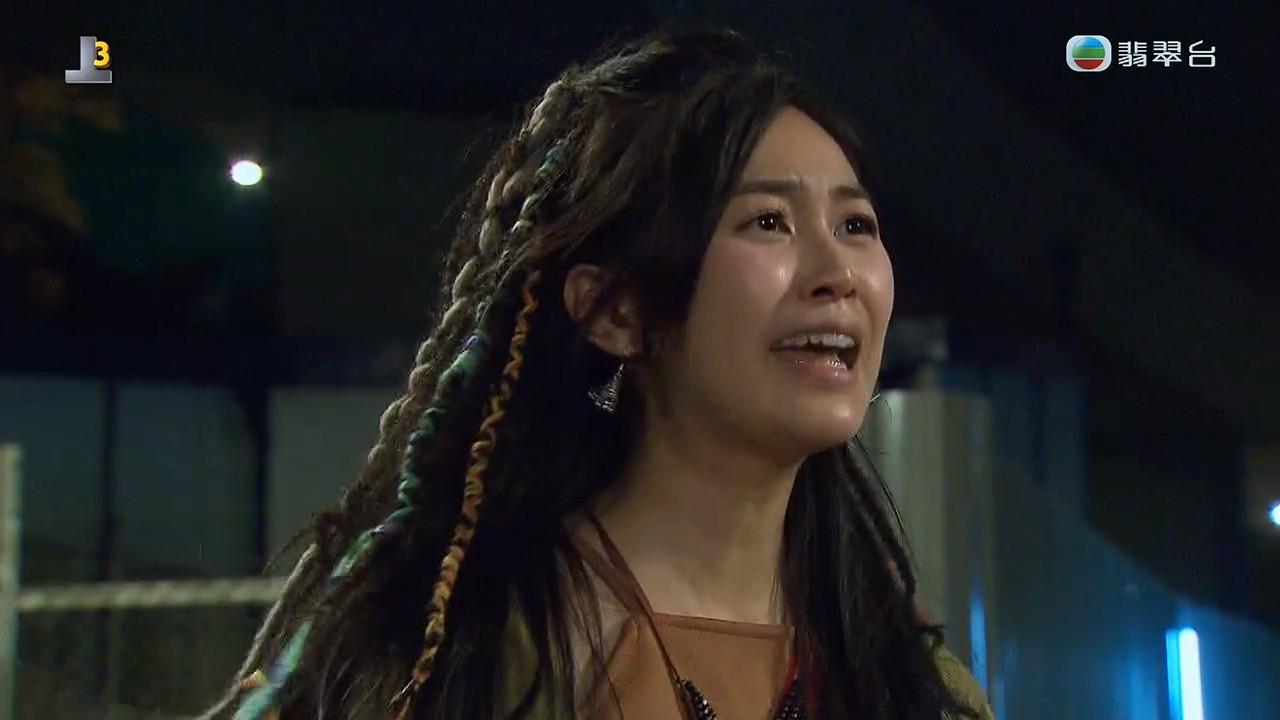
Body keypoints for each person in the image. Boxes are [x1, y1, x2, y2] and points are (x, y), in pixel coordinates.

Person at [205, 25, 995, 720]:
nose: (838, 274)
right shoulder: (457, 655)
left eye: (856, 224)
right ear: (614, 311)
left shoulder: (917, 689)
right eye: (768, 221)